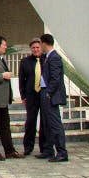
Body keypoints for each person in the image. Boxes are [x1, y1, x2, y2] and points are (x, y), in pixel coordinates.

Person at [37, 34, 69, 162]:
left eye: (41, 44)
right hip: (45, 92)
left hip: (51, 95)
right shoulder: (47, 57)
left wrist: (48, 93)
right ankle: (48, 150)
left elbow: (55, 78)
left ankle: (61, 152)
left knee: (55, 124)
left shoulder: (54, 57)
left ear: (45, 43)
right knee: (46, 124)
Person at [18, 37, 46, 156]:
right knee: (30, 122)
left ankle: (44, 147)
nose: (35, 49)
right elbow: (21, 81)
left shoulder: (47, 60)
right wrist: (23, 96)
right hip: (31, 95)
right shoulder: (25, 61)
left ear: (41, 48)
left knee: (44, 122)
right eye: (33, 48)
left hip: (45, 95)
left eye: (37, 47)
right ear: (30, 49)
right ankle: (28, 147)